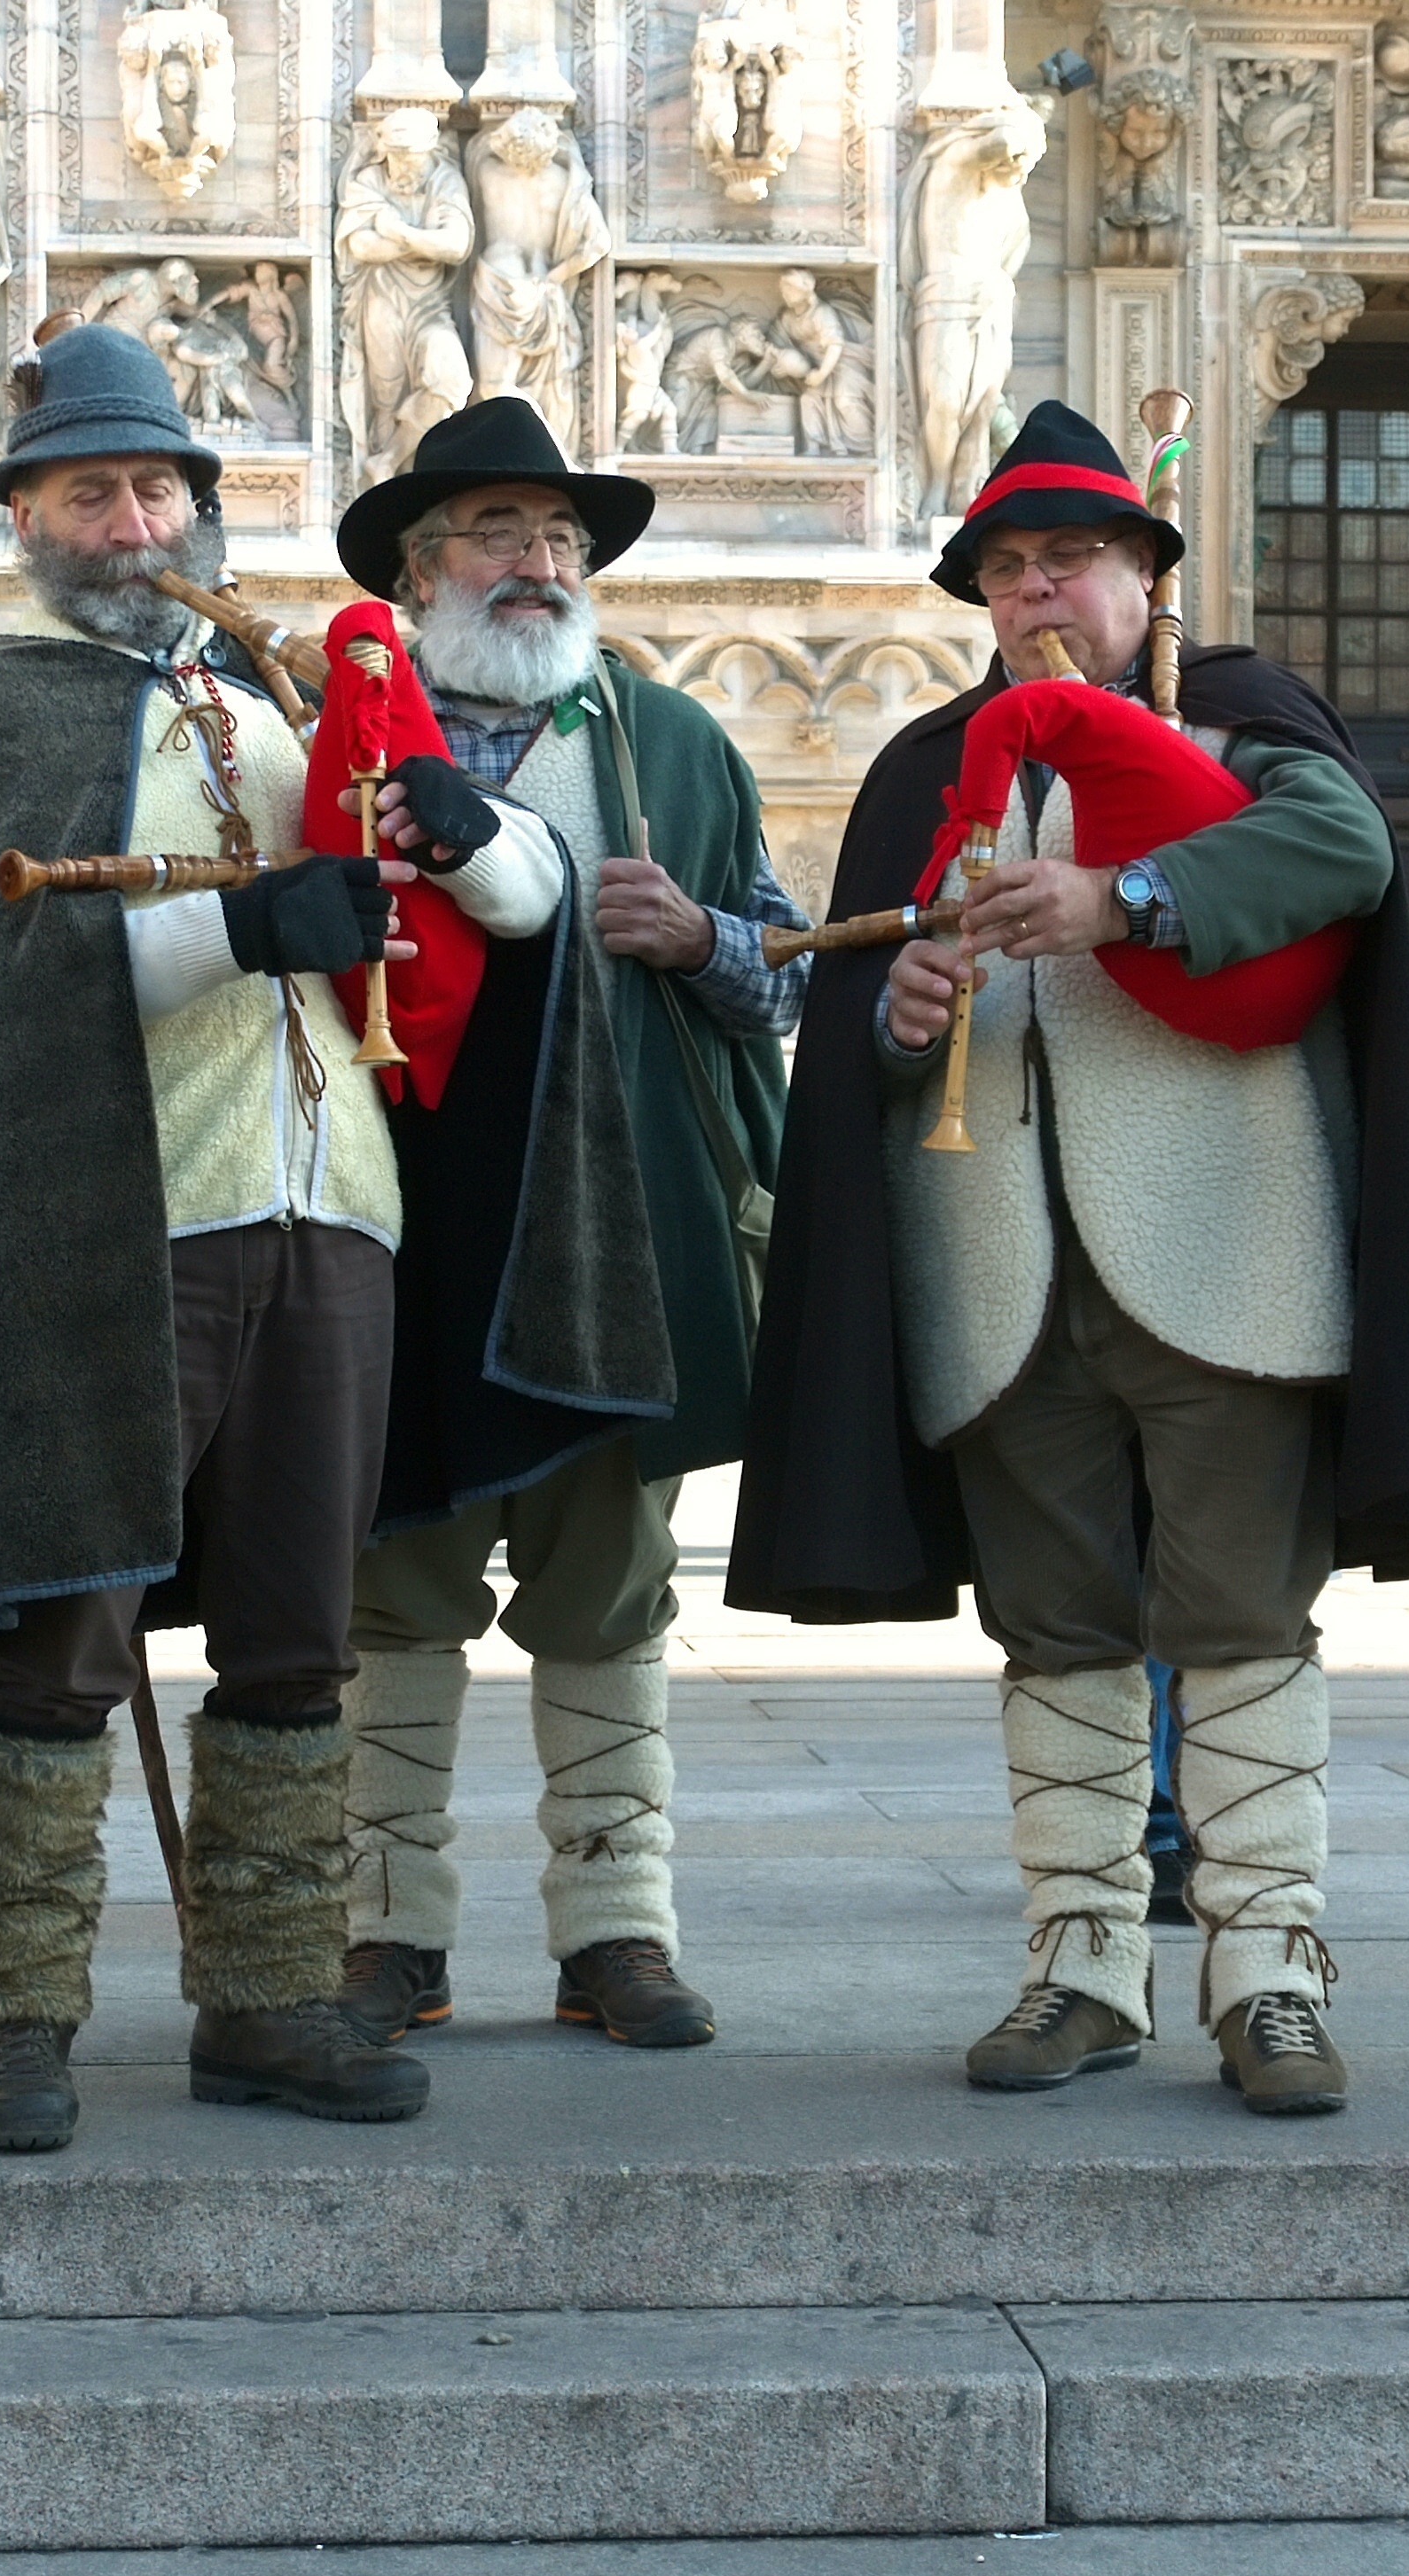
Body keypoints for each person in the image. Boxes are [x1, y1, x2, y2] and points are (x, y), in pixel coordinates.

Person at [0, 326, 548, 2144]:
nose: (133, 524)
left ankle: (272, 2002)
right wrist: (243, 929)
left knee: (299, 1639)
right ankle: (13, 2017)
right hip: (120, 1222)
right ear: (27, 520)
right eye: (91, 494)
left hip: (327, 1217)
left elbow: (513, 908)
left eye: (159, 491)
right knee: (69, 1640)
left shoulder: (274, 704)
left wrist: (459, 825)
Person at [730, 402, 1409, 2112]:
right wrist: (902, 1012)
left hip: (1226, 1250)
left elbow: (1340, 854)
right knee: (1056, 1626)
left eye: (1067, 557)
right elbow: (865, 990)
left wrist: (1123, 904)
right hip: (997, 1265)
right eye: (1004, 570)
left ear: (1146, 570)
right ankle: (1080, 1970)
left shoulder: (1242, 717)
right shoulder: (934, 762)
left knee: (1237, 1620)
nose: (1036, 592)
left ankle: (1269, 1975)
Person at [328, 397, 805, 2052]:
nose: (534, 567)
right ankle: (390, 1935)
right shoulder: (340, 740)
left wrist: (698, 942)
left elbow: (781, 977)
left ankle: (618, 1930)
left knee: (610, 1588)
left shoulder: (674, 745)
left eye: (559, 542)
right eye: (496, 536)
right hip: (404, 1227)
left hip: (626, 1230)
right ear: (418, 569)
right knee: (395, 1585)